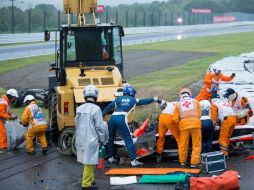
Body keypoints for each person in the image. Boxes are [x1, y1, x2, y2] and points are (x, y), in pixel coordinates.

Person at [102, 85, 158, 166]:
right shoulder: (133, 100)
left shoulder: (118, 99)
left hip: (112, 118)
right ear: (131, 93)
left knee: (111, 138)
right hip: (121, 118)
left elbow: (108, 107)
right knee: (128, 140)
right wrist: (153, 99)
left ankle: (110, 157)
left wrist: (102, 115)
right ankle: (133, 160)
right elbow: (144, 101)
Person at [75, 85, 108, 190]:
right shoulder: (96, 109)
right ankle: (86, 184)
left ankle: (91, 180)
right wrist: (103, 139)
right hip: (91, 139)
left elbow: (77, 123)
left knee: (88, 161)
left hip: (80, 139)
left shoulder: (79, 108)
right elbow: (100, 126)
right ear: (96, 95)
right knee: (89, 162)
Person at [172, 88, 202, 168]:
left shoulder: (178, 104)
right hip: (196, 124)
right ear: (190, 94)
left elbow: (175, 119)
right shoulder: (196, 102)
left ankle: (183, 162)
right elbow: (199, 114)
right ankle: (194, 163)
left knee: (183, 144)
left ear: (181, 95)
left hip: (184, 126)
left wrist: (181, 122)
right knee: (196, 144)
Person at [210, 93, 236, 158]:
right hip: (234, 118)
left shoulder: (214, 104)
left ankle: (224, 154)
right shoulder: (224, 102)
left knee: (222, 138)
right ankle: (226, 152)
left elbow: (214, 118)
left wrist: (213, 125)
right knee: (227, 137)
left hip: (227, 120)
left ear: (212, 100)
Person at [0, 89, 18, 154]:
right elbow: (1, 113)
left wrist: (12, 114)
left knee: (2, 131)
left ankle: (3, 146)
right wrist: (9, 117)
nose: (14, 99)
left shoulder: (6, 102)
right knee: (2, 132)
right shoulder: (3, 102)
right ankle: (2, 147)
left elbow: (6, 111)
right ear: (10, 96)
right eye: (14, 98)